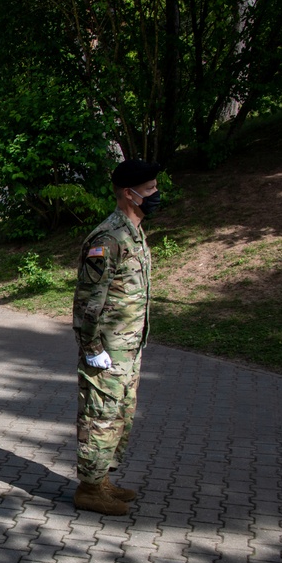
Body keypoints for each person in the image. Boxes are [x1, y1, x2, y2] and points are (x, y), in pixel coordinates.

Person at [72, 159, 159, 516]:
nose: (156, 195)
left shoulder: (133, 231)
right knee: (100, 415)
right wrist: (91, 348)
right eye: (151, 189)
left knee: (120, 414)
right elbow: (87, 300)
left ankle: (102, 479)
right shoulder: (108, 238)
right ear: (129, 193)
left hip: (127, 346)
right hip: (106, 348)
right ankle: (89, 489)